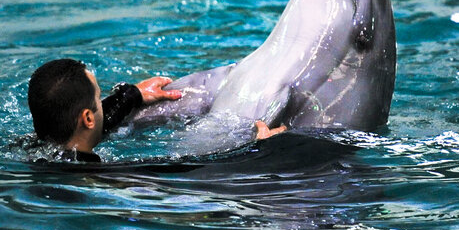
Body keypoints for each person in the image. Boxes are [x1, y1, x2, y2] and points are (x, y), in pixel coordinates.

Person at [22, 57, 283, 163]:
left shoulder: (32, 150)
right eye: (100, 98)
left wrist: (132, 95)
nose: (104, 104)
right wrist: (254, 150)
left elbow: (100, 122)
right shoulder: (99, 178)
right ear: (88, 118)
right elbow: (185, 173)